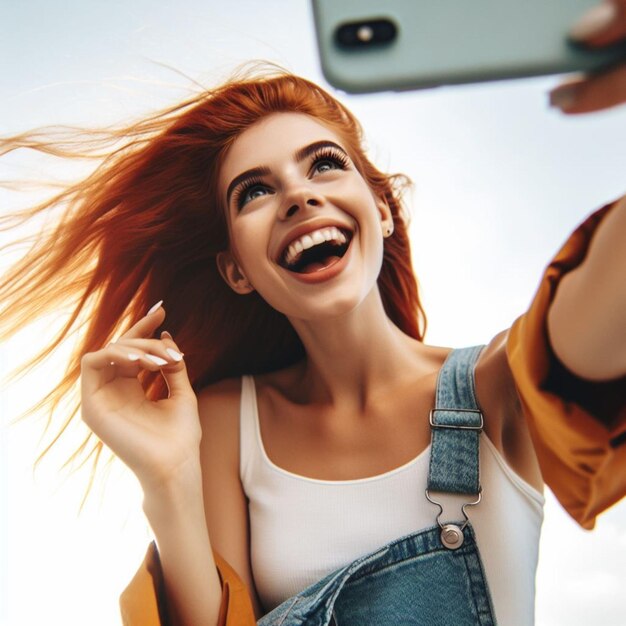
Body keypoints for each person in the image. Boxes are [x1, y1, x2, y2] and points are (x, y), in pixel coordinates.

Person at [1, 2, 625, 625]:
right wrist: (167, 478)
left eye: (325, 163)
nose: (299, 195)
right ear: (236, 270)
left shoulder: (497, 388)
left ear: (381, 207)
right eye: (256, 191)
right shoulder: (226, 423)